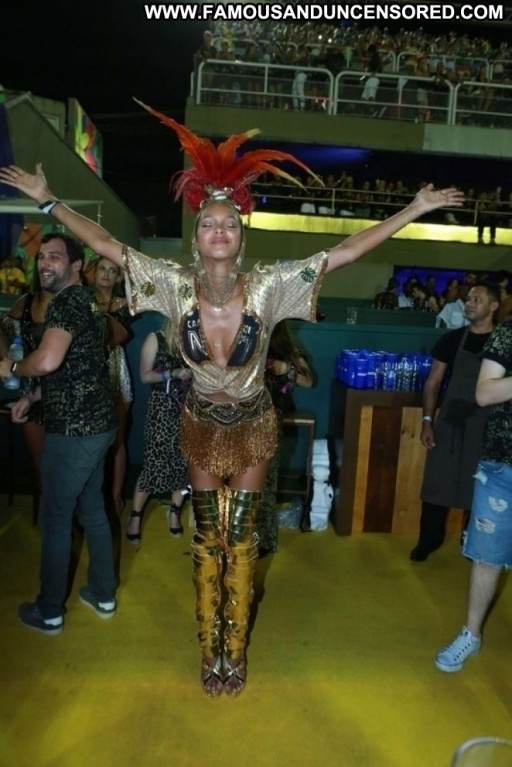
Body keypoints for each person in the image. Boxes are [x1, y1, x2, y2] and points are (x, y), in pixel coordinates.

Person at [0, 108, 463, 694]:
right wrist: (48, 201)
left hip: (252, 426)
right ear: (196, 238)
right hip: (199, 424)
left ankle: (234, 653)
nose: (219, 230)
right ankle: (207, 647)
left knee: (240, 543)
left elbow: (345, 252)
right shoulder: (172, 285)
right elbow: (104, 244)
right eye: (209, 224)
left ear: (241, 237)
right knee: (205, 542)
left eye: (229, 224)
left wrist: (415, 209)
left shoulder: (271, 286)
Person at [0, 233, 117, 635]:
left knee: (55, 518)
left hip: (73, 430)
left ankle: (49, 611)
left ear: (76, 266)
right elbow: (76, 367)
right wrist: (32, 397)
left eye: (55, 256)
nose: (44, 263)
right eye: (41, 257)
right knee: (92, 510)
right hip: (97, 425)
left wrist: (11, 369)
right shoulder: (87, 301)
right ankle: (103, 593)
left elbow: (49, 360)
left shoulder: (67, 303)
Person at [435, 317, 512, 672]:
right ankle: (472, 633)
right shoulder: (508, 332)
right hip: (501, 466)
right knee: (486, 556)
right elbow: (484, 393)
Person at [410, 282, 500, 562]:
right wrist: (427, 420)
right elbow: (433, 382)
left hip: (486, 425)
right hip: (449, 422)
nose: (469, 303)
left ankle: (472, 543)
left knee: (480, 487)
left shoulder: (503, 342)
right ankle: (428, 541)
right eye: (469, 298)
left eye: (477, 299)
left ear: (493, 306)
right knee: (437, 483)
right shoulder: (451, 339)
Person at [127, 320, 191, 545]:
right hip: (162, 407)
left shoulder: (193, 342)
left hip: (187, 409)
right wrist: (173, 373)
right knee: (153, 462)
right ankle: (135, 515)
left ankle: (174, 512)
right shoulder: (156, 338)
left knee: (182, 463)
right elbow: (145, 376)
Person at [258, 321, 314, 557]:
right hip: (236, 418)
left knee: (265, 482)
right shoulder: (243, 340)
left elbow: (308, 380)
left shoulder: (285, 347)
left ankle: (262, 540)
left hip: (268, 420)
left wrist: (287, 369)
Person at [0, 267, 52, 510]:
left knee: (69, 467)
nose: (46, 266)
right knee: (41, 464)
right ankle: (53, 518)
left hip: (67, 390)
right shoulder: (27, 302)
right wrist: (8, 364)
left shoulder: (75, 303)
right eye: (41, 259)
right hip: (31, 389)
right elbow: (3, 331)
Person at [92, 257, 133, 514]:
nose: (106, 274)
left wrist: (127, 270)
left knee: (118, 438)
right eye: (102, 268)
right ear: (93, 272)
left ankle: (116, 497)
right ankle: (92, 498)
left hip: (116, 369)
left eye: (112, 270)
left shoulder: (124, 304)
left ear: (118, 276)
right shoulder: (82, 300)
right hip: (88, 370)